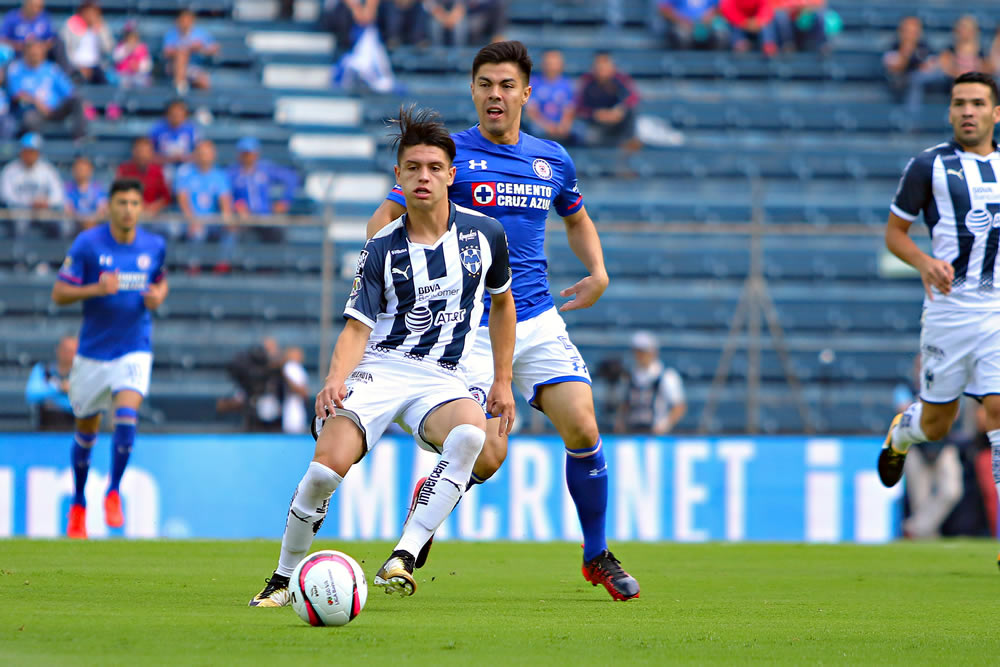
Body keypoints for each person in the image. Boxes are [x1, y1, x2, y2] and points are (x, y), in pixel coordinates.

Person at [365, 41, 640, 601]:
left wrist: (599, 271)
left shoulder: (552, 158)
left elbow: (577, 218)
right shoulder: (448, 155)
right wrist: (378, 278)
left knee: (584, 427)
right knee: (488, 457)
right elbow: (387, 219)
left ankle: (596, 556)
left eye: (507, 85)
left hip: (534, 318)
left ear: (526, 93)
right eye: (486, 84)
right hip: (466, 330)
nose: (496, 94)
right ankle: (439, 488)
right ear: (473, 90)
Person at [249, 106, 516, 605]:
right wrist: (334, 379)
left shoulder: (486, 236)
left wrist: (502, 380)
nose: (424, 177)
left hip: (441, 375)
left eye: (435, 168)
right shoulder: (380, 248)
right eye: (413, 168)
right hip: (379, 369)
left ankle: (405, 554)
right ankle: (283, 580)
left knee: (469, 436)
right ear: (398, 176)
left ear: (451, 176)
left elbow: (503, 305)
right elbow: (356, 328)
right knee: (323, 473)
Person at [877, 72, 1000, 560]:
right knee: (938, 424)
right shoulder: (928, 166)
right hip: (948, 313)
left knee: (997, 410)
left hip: (996, 309)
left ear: (996, 113)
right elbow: (894, 233)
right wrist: (925, 262)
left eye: (977, 103)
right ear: (949, 112)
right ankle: (901, 432)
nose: (967, 111)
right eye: (958, 103)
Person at [51, 178, 168, 539]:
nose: (129, 209)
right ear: (109, 206)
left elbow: (160, 281)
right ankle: (78, 502)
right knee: (86, 430)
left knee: (127, 415)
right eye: (122, 203)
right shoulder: (88, 244)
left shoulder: (154, 245)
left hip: (134, 346)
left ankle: (114, 490)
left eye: (135, 203)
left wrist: (158, 297)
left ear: (141, 207)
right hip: (92, 353)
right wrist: (94, 289)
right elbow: (59, 293)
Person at [7, 37, 88, 139]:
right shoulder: (17, 69)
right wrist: (37, 103)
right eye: (32, 54)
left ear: (42, 54)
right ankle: (35, 149)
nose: (34, 56)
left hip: (54, 109)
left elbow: (68, 91)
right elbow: (16, 95)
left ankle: (79, 139)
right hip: (34, 111)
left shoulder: (51, 69)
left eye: (37, 53)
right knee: (29, 119)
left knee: (78, 100)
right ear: (25, 54)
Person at [175, 139, 235, 271]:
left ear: (214, 155)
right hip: (190, 220)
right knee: (197, 232)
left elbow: (225, 200)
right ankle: (193, 265)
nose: (204, 156)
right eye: (201, 153)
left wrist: (227, 219)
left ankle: (222, 264)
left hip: (212, 220)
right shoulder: (185, 174)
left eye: (207, 153)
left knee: (229, 231)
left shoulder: (220, 175)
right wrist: (192, 220)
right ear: (195, 154)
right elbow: (183, 200)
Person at [228, 136, 298, 243]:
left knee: (277, 236)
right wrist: (236, 204)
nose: (248, 157)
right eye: (244, 153)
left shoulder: (265, 169)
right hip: (244, 220)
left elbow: (292, 178)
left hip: (265, 217)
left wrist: (285, 201)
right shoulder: (232, 173)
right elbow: (224, 194)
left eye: (250, 153)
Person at [616, 330, 686, 434]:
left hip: (655, 435)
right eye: (637, 351)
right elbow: (624, 403)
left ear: (653, 352)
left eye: (643, 351)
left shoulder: (667, 376)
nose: (640, 355)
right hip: (632, 433)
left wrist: (664, 425)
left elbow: (679, 406)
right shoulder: (629, 376)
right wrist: (620, 422)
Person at [0, 132, 64, 238]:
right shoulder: (10, 170)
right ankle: (17, 253)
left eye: (33, 151)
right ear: (21, 151)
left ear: (38, 153)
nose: (30, 155)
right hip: (19, 212)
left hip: (43, 211)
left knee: (59, 224)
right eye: (27, 151)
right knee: (18, 224)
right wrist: (29, 202)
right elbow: (6, 195)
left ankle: (54, 253)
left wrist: (46, 202)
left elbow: (59, 194)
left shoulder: (47, 170)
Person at [575, 51, 641, 151]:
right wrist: (595, 114)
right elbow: (579, 107)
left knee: (632, 111)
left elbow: (633, 98)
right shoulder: (586, 81)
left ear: (612, 66)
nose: (602, 68)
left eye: (605, 63)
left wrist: (619, 110)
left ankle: (629, 142)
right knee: (586, 134)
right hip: (595, 124)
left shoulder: (621, 79)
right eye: (598, 64)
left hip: (617, 122)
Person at [525, 49, 578, 145]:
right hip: (540, 125)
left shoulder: (568, 84)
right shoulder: (533, 83)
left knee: (579, 130)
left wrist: (563, 125)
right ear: (543, 64)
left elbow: (569, 109)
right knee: (534, 129)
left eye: (555, 63)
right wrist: (548, 126)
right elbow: (531, 111)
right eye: (549, 63)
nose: (552, 66)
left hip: (560, 125)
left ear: (561, 65)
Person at [24, 334, 77, 430]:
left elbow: (82, 407)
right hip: (43, 431)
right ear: (57, 350)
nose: (68, 354)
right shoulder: (42, 370)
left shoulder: (81, 376)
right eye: (65, 350)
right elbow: (31, 395)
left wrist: (55, 399)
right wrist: (58, 389)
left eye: (72, 351)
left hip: (72, 431)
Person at [161, 8, 218, 93]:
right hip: (173, 67)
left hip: (194, 67)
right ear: (178, 21)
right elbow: (166, 53)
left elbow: (214, 48)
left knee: (203, 81)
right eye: (183, 19)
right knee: (181, 54)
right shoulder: (171, 34)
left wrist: (201, 49)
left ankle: (201, 104)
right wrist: (186, 48)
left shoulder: (201, 34)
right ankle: (180, 88)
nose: (185, 22)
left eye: (188, 19)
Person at [883, 16, 934, 107]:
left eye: (914, 31)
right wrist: (907, 50)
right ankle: (911, 117)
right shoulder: (893, 47)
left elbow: (930, 67)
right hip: (898, 84)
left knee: (916, 79)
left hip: (922, 82)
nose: (911, 34)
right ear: (901, 31)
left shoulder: (925, 47)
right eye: (907, 31)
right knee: (913, 80)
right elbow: (895, 67)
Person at [115, 136, 170, 218]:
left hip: (152, 215)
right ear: (134, 152)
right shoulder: (123, 170)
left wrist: (154, 207)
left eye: (146, 151)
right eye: (140, 151)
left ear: (151, 152)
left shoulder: (158, 171)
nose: (143, 155)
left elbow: (166, 197)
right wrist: (138, 205)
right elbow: (117, 194)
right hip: (129, 213)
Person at [60, 0, 113, 84]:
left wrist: (99, 31)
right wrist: (77, 66)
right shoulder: (71, 24)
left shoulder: (101, 26)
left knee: (105, 82)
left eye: (93, 12)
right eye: (87, 11)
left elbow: (108, 48)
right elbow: (64, 49)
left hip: (96, 66)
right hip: (75, 65)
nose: (90, 15)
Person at [148, 98, 199, 171]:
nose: (176, 115)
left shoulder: (192, 129)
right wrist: (169, 159)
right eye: (173, 113)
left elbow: (200, 154)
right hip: (162, 167)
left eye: (179, 112)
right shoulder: (157, 130)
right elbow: (149, 154)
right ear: (167, 114)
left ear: (185, 114)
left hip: (187, 168)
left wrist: (184, 158)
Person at [64, 154, 108, 233]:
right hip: (75, 226)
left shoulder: (98, 188)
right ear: (73, 171)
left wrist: (91, 221)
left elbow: (102, 209)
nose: (81, 172)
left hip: (94, 225)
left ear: (90, 171)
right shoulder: (67, 188)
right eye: (78, 169)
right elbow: (68, 210)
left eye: (84, 169)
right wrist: (82, 221)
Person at [656, 0, 721, 50]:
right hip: (682, 26)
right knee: (682, 37)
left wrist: (710, 16)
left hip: (706, 27)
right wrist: (681, 20)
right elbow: (664, 8)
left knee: (720, 36)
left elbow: (719, 6)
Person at [112, 20, 151, 88]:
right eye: (129, 36)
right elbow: (116, 58)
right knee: (123, 82)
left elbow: (148, 65)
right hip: (123, 74)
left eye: (133, 36)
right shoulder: (121, 47)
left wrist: (138, 67)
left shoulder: (142, 48)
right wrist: (127, 50)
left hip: (138, 75)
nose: (131, 39)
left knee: (144, 82)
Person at [281, 346, 309, 434]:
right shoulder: (290, 367)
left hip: (298, 403)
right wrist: (303, 391)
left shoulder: (298, 367)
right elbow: (294, 386)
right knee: (292, 429)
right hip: (291, 403)